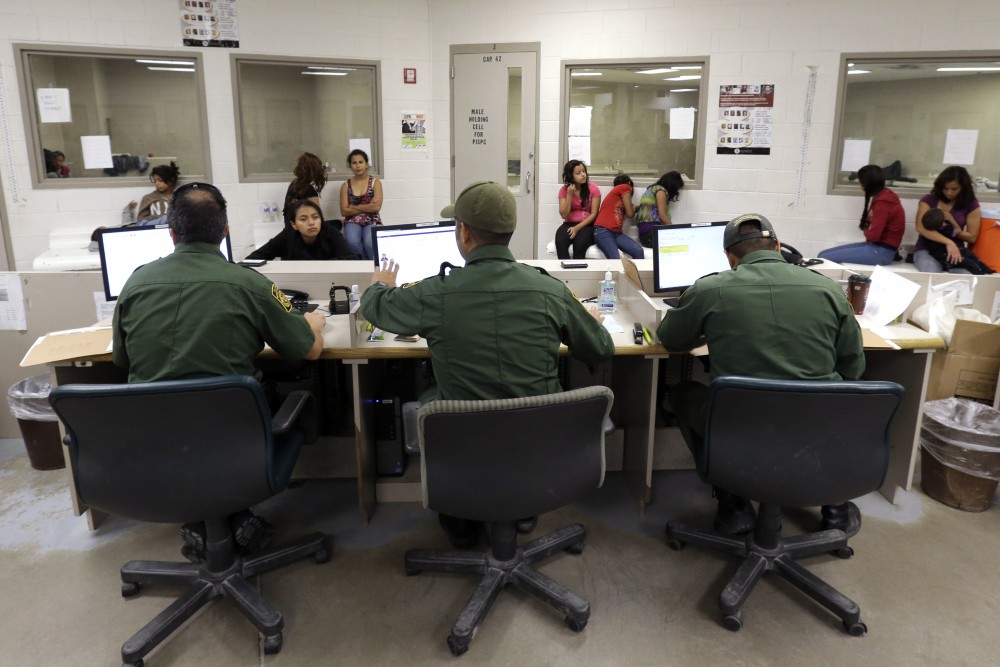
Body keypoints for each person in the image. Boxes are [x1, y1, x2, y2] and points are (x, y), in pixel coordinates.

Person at [360, 181, 615, 546]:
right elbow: (601, 349)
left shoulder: (436, 293)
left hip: (465, 448)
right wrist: (587, 319)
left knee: (432, 395)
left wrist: (378, 285)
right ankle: (522, 505)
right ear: (509, 233)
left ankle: (464, 522)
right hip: (539, 447)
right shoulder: (550, 290)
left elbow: (378, 308)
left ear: (463, 232)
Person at [112, 182, 327, 560]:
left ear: (172, 233)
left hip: (153, 446)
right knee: (296, 395)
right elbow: (308, 350)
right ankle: (233, 515)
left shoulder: (135, 283)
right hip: (237, 445)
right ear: (226, 231)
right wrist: (314, 323)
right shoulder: (250, 283)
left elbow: (123, 362)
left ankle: (209, 520)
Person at [657, 213, 865, 535]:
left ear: (729, 257)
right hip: (814, 427)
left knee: (682, 393)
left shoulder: (710, 289)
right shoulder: (829, 290)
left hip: (739, 425)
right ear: (779, 247)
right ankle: (834, 505)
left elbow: (671, 340)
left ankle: (734, 504)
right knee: (825, 401)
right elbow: (853, 367)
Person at [817, 164, 905, 265]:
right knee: (822, 254)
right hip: (876, 247)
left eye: (860, 182)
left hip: (881, 252)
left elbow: (873, 236)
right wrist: (869, 229)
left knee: (823, 257)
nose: (859, 185)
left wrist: (867, 230)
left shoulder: (883, 203)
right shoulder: (882, 196)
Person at [913, 166, 982, 273]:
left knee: (965, 277)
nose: (949, 193)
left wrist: (953, 227)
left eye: (954, 189)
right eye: (945, 188)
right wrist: (949, 242)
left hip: (956, 251)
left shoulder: (971, 204)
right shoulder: (929, 200)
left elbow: (972, 237)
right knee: (931, 271)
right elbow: (921, 227)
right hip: (927, 248)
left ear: (963, 188)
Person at [247, 199, 357, 261]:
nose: (311, 223)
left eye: (315, 217)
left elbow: (351, 258)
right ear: (294, 224)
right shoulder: (287, 235)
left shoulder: (331, 233)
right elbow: (255, 257)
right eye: (303, 219)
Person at [338, 149, 383, 259]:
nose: (358, 166)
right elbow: (344, 211)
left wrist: (353, 207)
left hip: (372, 219)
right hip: (352, 220)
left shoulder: (375, 182)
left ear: (366, 164)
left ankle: (375, 267)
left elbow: (376, 207)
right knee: (352, 243)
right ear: (350, 165)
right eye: (354, 163)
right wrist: (368, 206)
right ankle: (364, 266)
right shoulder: (345, 185)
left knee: (369, 243)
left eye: (361, 162)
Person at [918, 209, 993, 274]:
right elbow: (958, 231)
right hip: (946, 254)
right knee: (966, 260)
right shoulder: (945, 229)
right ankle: (979, 271)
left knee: (968, 254)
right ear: (941, 223)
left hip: (946, 252)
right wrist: (951, 220)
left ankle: (984, 268)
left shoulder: (933, 230)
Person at [555, 160, 601, 259]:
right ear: (570, 176)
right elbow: (564, 215)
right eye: (578, 173)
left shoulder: (593, 188)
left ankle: (578, 272)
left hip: (587, 225)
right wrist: (569, 195)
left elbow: (594, 214)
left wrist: (577, 228)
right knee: (560, 242)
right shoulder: (564, 190)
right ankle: (566, 272)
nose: (583, 175)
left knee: (579, 246)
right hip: (569, 224)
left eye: (584, 171)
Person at [593, 174, 644, 260]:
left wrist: (635, 207)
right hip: (603, 231)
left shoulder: (617, 198)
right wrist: (637, 207)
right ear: (629, 183)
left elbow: (628, 211)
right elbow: (630, 214)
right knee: (615, 259)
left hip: (616, 233)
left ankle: (635, 274)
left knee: (638, 251)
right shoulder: (625, 187)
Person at [634, 171, 684, 247]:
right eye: (676, 189)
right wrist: (675, 232)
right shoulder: (661, 191)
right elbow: (662, 216)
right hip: (650, 233)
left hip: (646, 234)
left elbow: (644, 207)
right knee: (681, 243)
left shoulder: (651, 190)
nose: (676, 192)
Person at [284, 151, 327, 219]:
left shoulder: (293, 185)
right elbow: (317, 216)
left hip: (289, 227)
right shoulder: (310, 191)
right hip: (304, 228)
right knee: (337, 223)